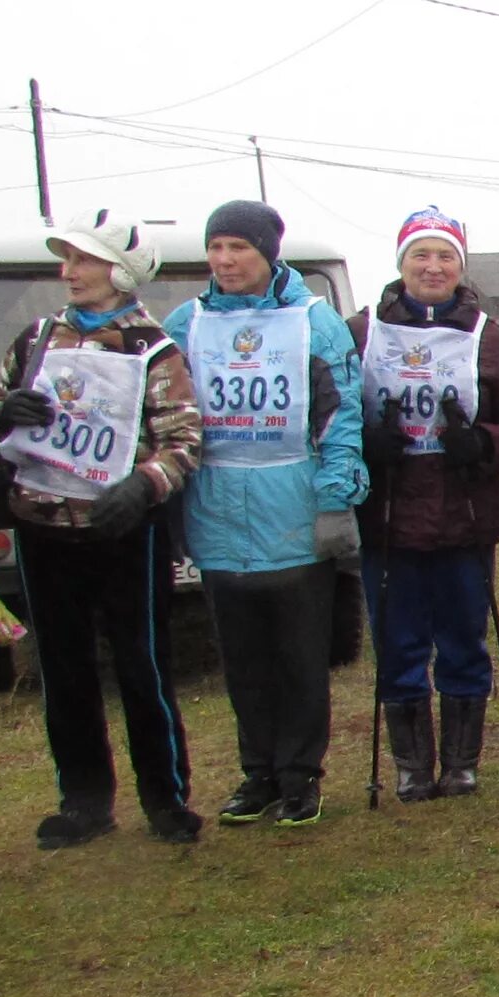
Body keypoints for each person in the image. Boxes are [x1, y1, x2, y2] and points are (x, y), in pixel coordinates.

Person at [0, 208, 206, 847]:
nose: (70, 271)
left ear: (121, 270)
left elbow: (184, 439)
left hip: (123, 530)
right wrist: (8, 413)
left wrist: (143, 488)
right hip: (43, 525)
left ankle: (165, 797)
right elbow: (0, 408)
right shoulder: (35, 339)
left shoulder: (153, 348)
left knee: (142, 665)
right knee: (64, 665)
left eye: (83, 259)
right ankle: (83, 800)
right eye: (67, 259)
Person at [164, 199, 368, 829]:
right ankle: (257, 773)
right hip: (218, 511)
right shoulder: (184, 323)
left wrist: (336, 500)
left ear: (267, 253)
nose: (225, 261)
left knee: (300, 656)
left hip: (294, 508)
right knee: (244, 658)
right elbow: (164, 413)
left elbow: (341, 417)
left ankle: (302, 775)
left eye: (239, 248)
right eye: (216, 247)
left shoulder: (315, 323)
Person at [350, 207, 499, 802]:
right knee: (398, 642)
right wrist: (364, 443)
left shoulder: (490, 334)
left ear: (461, 265)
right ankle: (411, 765)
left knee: (462, 639)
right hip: (389, 513)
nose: (433, 267)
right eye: (420, 256)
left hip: (464, 514)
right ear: (401, 263)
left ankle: (461, 762)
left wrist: (482, 443)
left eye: (445, 256)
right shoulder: (362, 330)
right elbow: (329, 413)